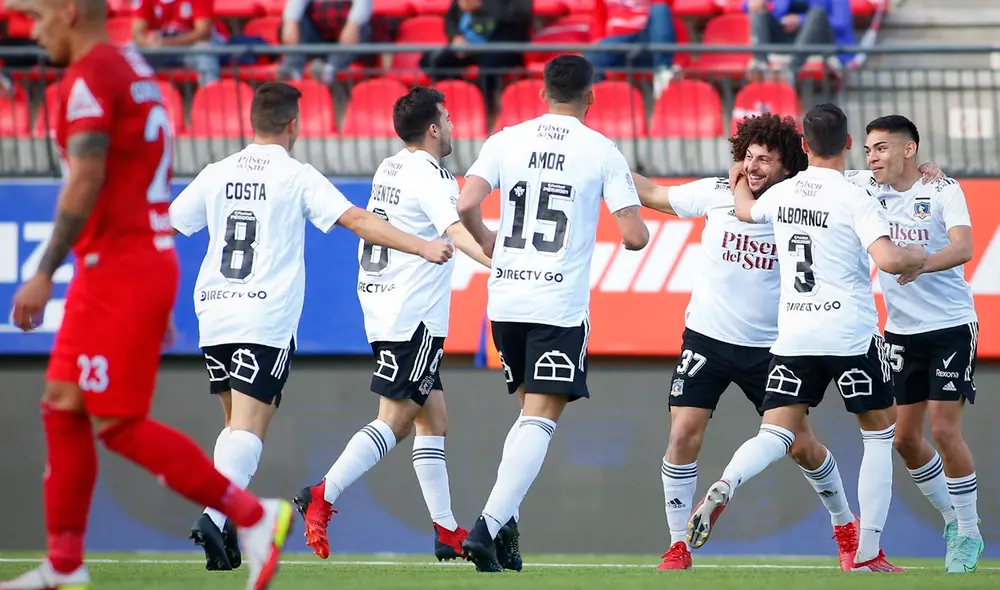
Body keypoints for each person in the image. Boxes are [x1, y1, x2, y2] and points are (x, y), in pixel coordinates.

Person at [2, 2, 292, 589]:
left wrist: (43, 271)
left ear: (69, 12)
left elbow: (87, 178)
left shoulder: (92, 75)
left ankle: (255, 516)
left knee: (116, 422)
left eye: (37, 17)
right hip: (126, 262)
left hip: (119, 266)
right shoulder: (133, 67)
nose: (32, 32)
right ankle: (64, 562)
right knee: (62, 401)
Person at [169, 82, 454, 572]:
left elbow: (176, 219)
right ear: (293, 125)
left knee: (234, 423)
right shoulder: (295, 175)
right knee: (250, 428)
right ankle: (217, 515)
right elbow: (358, 220)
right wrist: (422, 246)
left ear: (252, 121)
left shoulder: (217, 172)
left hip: (212, 310)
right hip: (263, 314)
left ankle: (227, 520)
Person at [685, 103, 926, 572]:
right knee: (878, 436)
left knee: (775, 431)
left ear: (802, 147)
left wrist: (738, 176)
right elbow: (891, 262)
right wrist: (914, 255)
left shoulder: (785, 192)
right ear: (850, 144)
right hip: (850, 335)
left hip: (794, 333)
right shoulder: (856, 197)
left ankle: (729, 482)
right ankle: (869, 551)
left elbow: (746, 211)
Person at [632, 113, 861, 571]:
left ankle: (845, 524)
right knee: (682, 435)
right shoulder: (716, 192)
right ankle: (679, 546)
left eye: (766, 159)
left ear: (788, 164)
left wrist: (926, 173)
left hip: (772, 348)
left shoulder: (797, 199)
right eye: (749, 157)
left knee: (801, 445)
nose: (753, 166)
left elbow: (868, 178)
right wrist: (603, 165)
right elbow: (654, 195)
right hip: (707, 338)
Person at [455, 54, 650, 572]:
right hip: (557, 303)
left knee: (526, 415)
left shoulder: (505, 140)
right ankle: (487, 527)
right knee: (541, 418)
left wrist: (485, 239)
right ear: (591, 97)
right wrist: (638, 226)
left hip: (505, 299)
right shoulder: (601, 150)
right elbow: (634, 237)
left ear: (542, 94)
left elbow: (465, 203)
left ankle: (503, 527)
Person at [294, 86, 491, 562]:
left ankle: (446, 531)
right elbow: (455, 232)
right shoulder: (431, 175)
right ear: (432, 128)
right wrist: (502, 264)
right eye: (447, 118)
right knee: (397, 419)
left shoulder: (390, 165)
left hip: (383, 304)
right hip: (413, 313)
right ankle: (324, 493)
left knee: (434, 418)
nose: (453, 126)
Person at [849, 115, 982, 573]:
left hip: (950, 325)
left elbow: (964, 248)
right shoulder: (864, 187)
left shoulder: (943, 190)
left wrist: (919, 265)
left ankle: (969, 531)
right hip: (901, 331)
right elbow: (820, 177)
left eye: (882, 148)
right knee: (904, 438)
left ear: (909, 150)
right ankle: (952, 518)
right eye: (868, 150)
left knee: (944, 431)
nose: (872, 157)